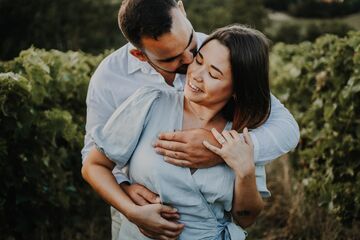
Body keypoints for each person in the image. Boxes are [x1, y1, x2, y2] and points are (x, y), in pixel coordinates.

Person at [81, 0, 300, 239]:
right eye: (171, 59)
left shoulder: (219, 50)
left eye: (191, 48)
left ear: (182, 10)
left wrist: (223, 149)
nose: (190, 65)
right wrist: (128, 201)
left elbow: (286, 127)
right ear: (140, 55)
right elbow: (94, 156)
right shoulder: (115, 80)